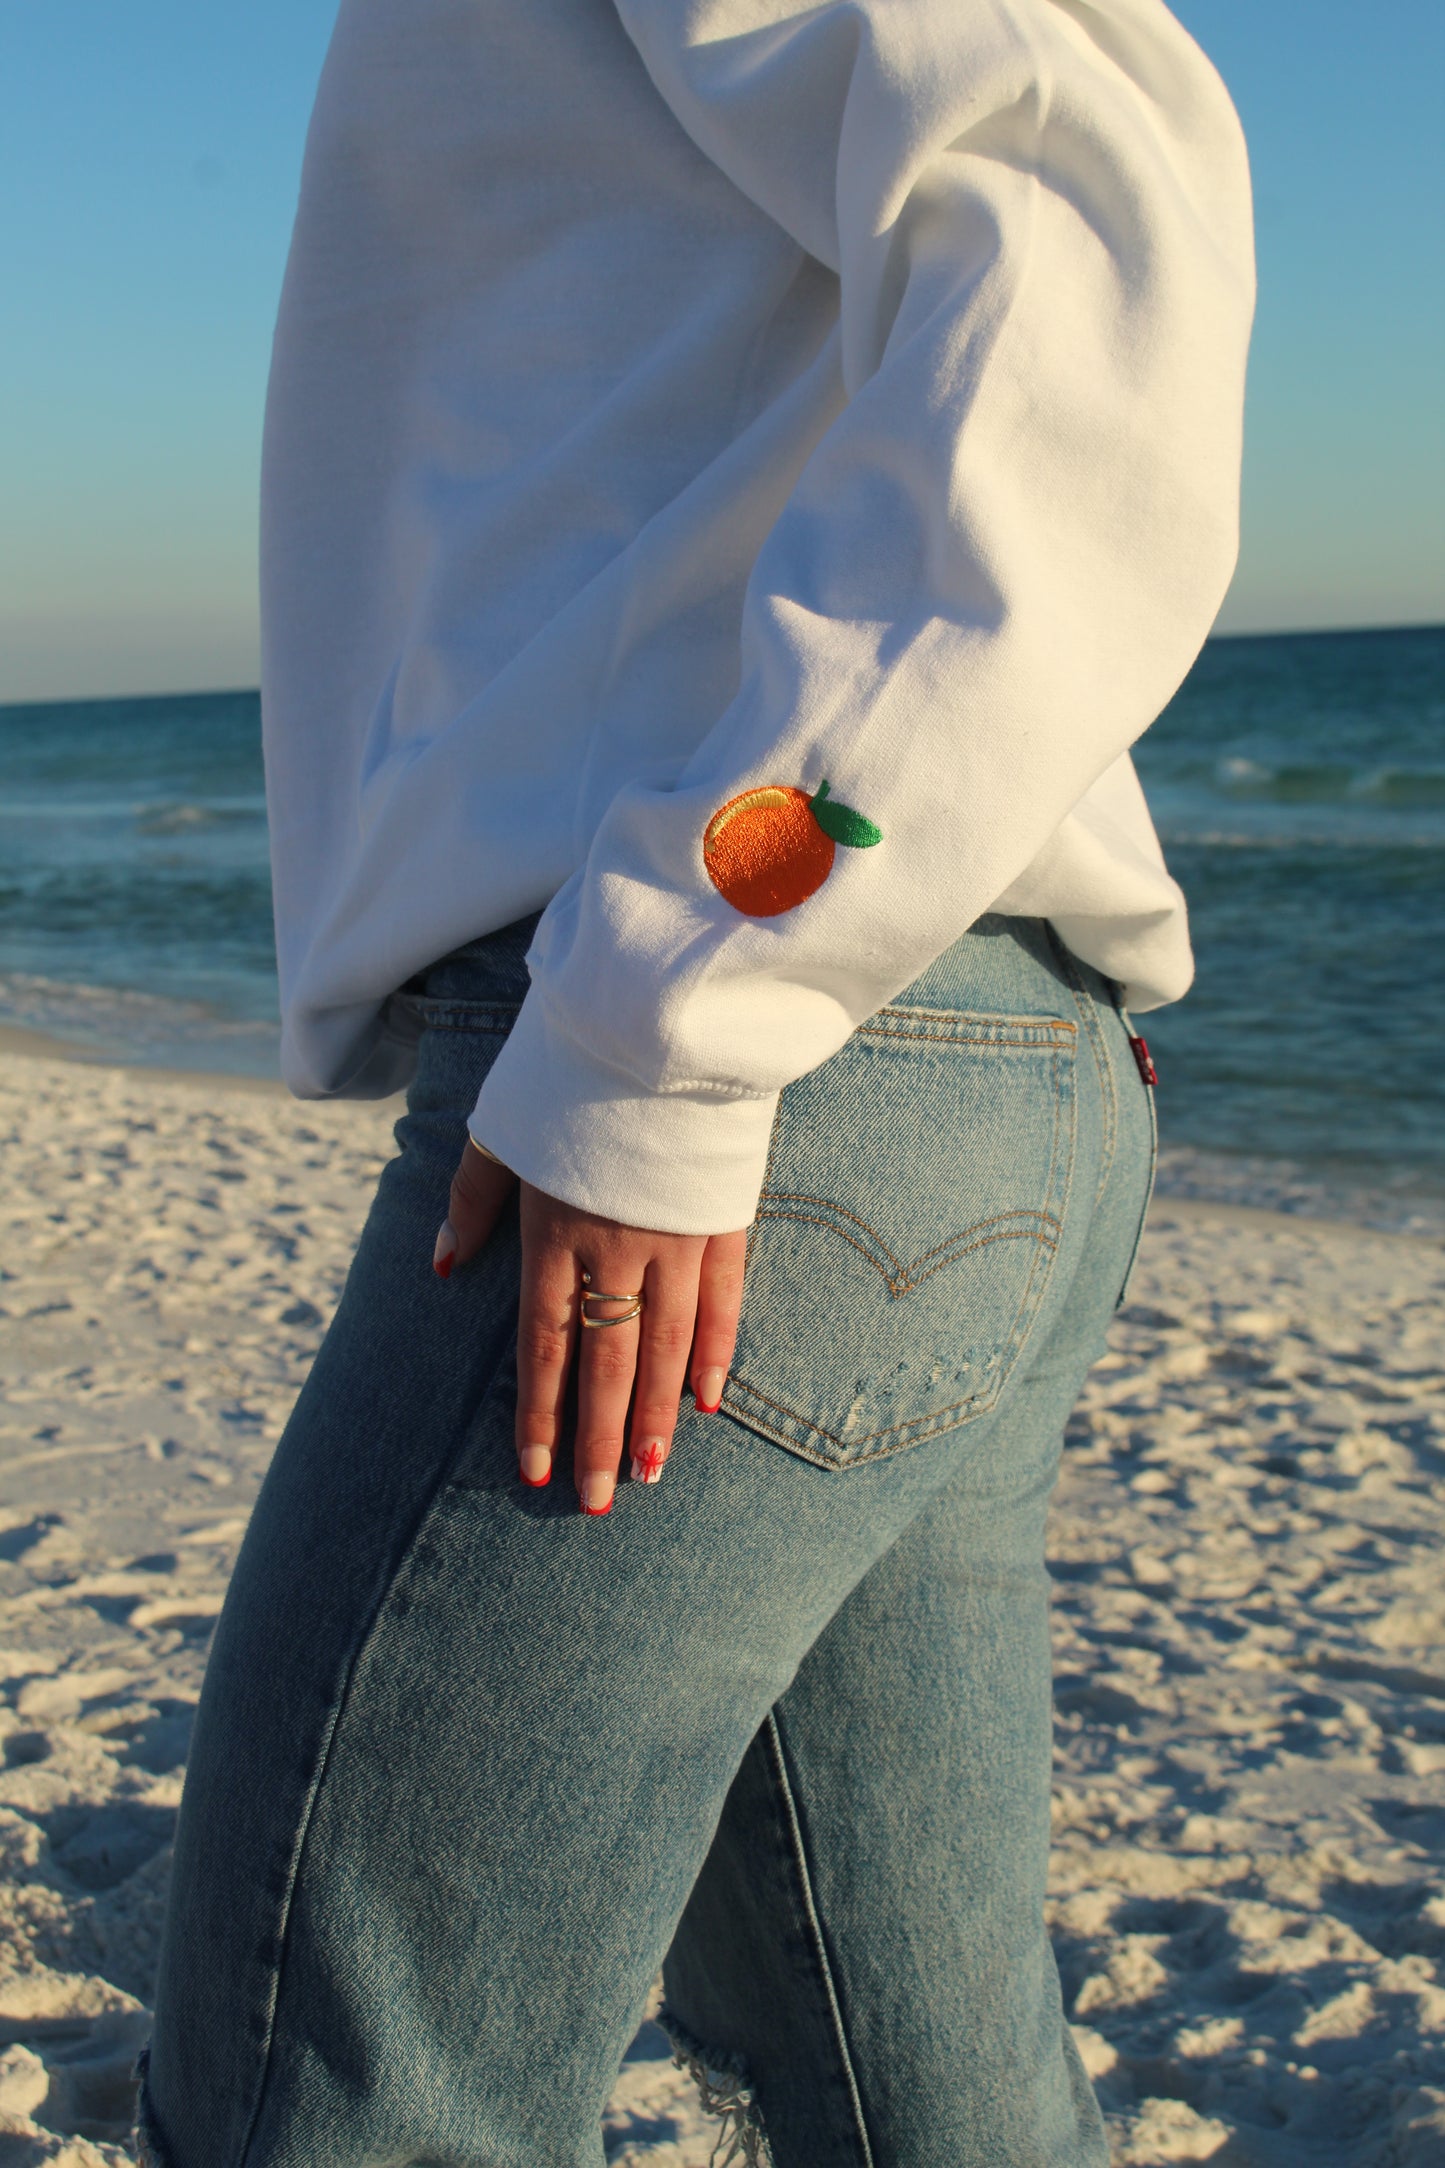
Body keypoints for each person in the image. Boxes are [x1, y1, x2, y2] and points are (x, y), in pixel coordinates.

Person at [134, 1, 1253, 2162]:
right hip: (935, 1068)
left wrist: (692, 998)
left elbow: (1091, 257)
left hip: (763, 1075)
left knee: (332, 2096)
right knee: (925, 2091)